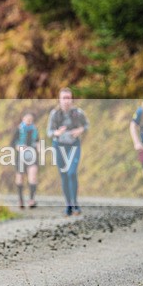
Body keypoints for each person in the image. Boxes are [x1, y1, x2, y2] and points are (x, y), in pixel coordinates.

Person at [47, 87, 89, 216]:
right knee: (64, 175)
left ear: (72, 99)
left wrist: (80, 130)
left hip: (73, 145)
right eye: (64, 98)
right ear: (59, 99)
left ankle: (75, 203)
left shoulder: (78, 112)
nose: (66, 101)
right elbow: (49, 132)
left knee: (72, 172)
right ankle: (68, 205)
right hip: (59, 146)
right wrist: (56, 132)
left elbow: (86, 125)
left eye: (68, 98)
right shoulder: (55, 114)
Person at [10, 112, 39, 209]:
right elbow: (12, 143)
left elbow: (37, 141)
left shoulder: (35, 129)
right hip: (20, 156)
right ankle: (20, 199)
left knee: (33, 177)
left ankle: (31, 199)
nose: (29, 122)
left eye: (30, 120)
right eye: (27, 120)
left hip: (32, 156)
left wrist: (39, 148)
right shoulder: (18, 130)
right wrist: (18, 147)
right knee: (20, 178)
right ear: (23, 119)